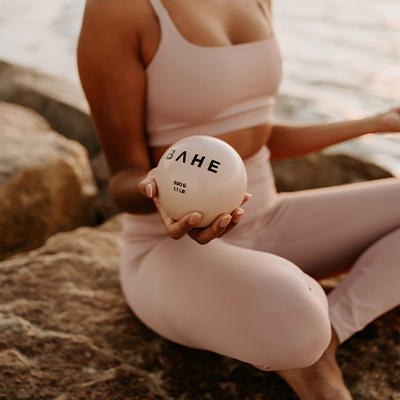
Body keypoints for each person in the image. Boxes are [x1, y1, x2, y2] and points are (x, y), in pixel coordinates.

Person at [77, 0, 400, 398]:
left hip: (269, 218)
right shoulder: (120, 10)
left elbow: (256, 135)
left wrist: (374, 123)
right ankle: (307, 328)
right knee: (295, 319)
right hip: (173, 247)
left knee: (308, 324)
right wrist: (159, 192)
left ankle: (331, 330)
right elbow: (124, 177)